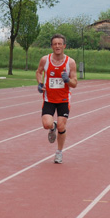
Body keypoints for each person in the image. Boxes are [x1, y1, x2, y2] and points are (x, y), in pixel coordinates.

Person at [36, 34, 78, 164]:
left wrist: (67, 80)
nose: (57, 46)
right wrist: (40, 83)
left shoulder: (70, 62)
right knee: (46, 124)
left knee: (62, 126)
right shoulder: (45, 60)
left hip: (63, 99)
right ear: (52, 46)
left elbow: (74, 83)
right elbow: (39, 72)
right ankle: (52, 127)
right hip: (49, 98)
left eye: (60, 44)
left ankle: (59, 152)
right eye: (55, 44)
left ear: (64, 46)